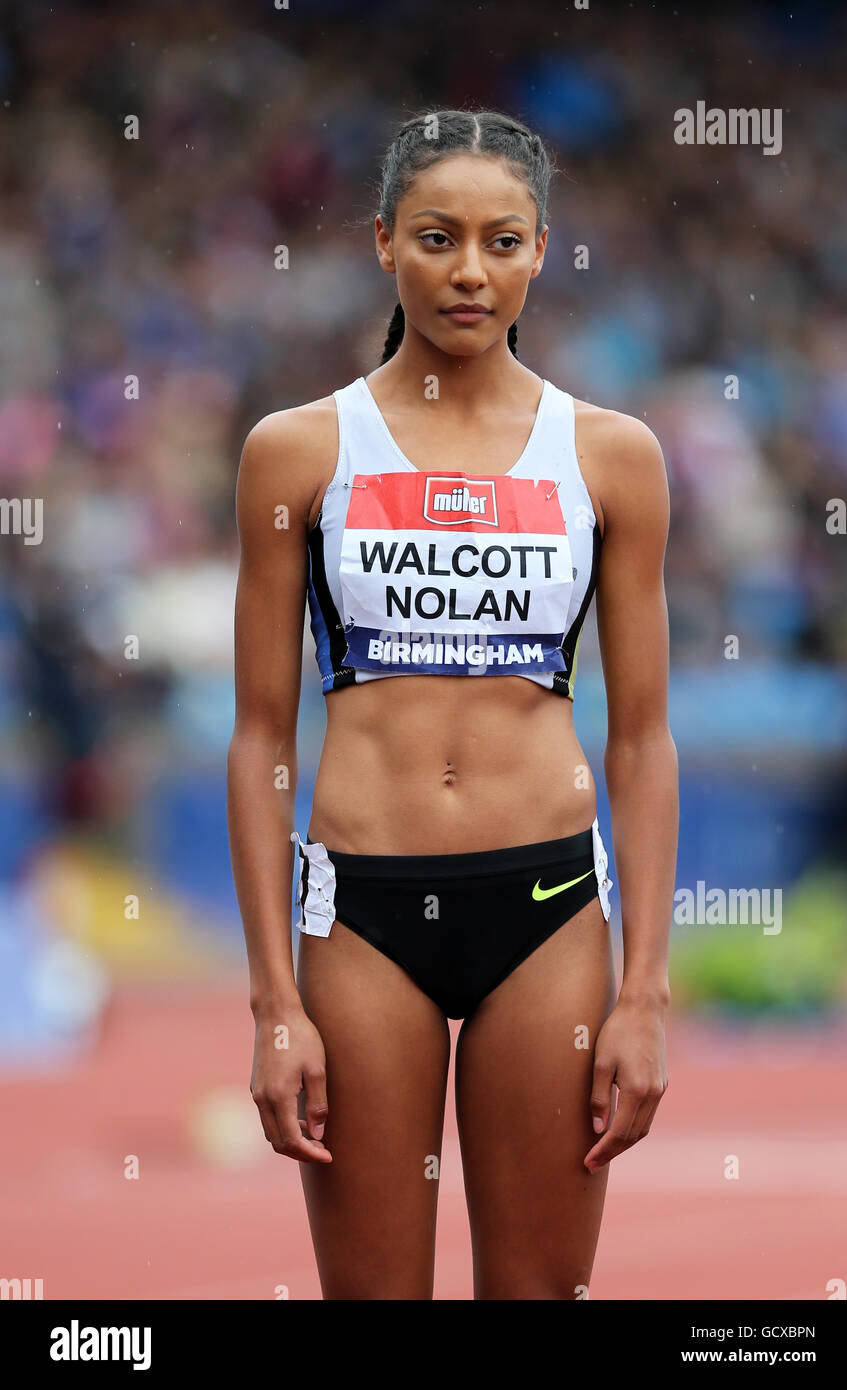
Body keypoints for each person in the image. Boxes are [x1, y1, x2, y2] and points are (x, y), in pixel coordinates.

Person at [227, 109, 678, 1301]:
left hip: (546, 911)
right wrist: (274, 1001)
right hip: (361, 918)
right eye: (435, 238)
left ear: (540, 251)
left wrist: (643, 994)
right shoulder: (296, 452)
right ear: (383, 244)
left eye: (500, 241)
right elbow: (260, 737)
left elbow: (640, 739)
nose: (468, 272)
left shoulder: (612, 455)